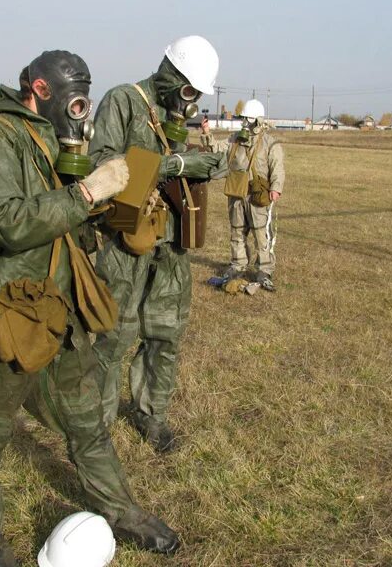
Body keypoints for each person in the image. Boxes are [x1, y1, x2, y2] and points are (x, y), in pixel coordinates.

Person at [0, 50, 180, 567]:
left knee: (88, 425)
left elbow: (65, 224)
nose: (81, 111)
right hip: (3, 317)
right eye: (75, 99)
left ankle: (123, 513)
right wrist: (87, 191)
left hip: (59, 313)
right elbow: (11, 222)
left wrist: (118, 202)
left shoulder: (52, 143)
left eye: (85, 100)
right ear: (40, 91)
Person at [88, 35, 226, 452]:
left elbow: (177, 171)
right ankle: (97, 425)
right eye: (187, 91)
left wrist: (202, 167)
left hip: (170, 246)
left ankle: (152, 416)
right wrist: (174, 163)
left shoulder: (176, 115)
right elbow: (101, 166)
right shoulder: (123, 102)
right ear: (169, 72)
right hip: (126, 242)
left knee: (165, 336)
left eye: (196, 95)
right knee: (113, 336)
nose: (189, 101)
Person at [201, 98, 285, 291]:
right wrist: (206, 133)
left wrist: (276, 188)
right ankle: (237, 264)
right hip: (236, 192)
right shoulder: (235, 139)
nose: (245, 123)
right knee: (237, 231)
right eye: (244, 119)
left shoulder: (270, 144)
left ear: (257, 120)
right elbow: (216, 148)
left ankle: (264, 269)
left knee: (260, 232)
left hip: (257, 194)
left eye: (248, 119)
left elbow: (278, 168)